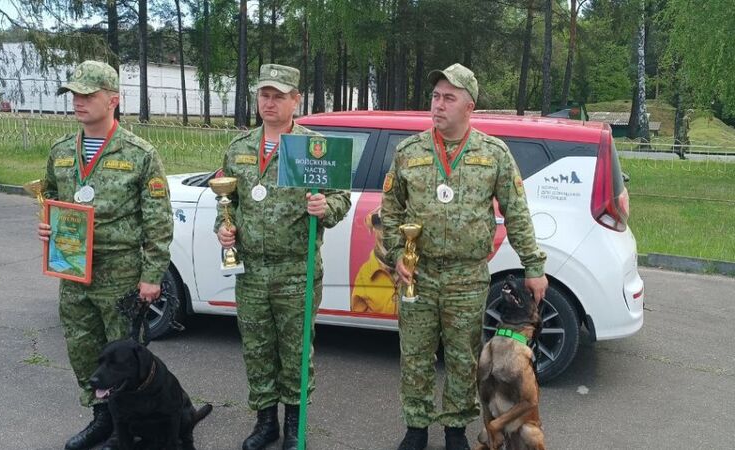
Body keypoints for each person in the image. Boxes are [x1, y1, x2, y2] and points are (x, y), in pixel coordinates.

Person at [380, 63, 548, 450]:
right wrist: (396, 255)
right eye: (435, 97)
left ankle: (455, 428)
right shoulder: (409, 151)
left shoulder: (493, 154)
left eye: (448, 98)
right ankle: (416, 428)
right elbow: (390, 211)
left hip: (466, 276)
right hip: (417, 276)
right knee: (416, 356)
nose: (438, 105)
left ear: (469, 106)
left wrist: (533, 267)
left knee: (463, 359)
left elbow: (516, 212)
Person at [36, 60, 174, 450]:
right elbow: (50, 200)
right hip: (74, 269)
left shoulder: (139, 153)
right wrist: (47, 228)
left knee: (124, 358)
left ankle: (125, 427)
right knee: (83, 348)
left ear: (113, 99)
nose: (78, 102)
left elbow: (159, 221)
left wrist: (152, 275)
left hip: (121, 272)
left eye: (88, 95)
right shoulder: (62, 151)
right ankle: (100, 418)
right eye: (74, 95)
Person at [215, 63, 351, 450]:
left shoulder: (314, 148)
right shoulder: (239, 149)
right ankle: (264, 423)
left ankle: (295, 423)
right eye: (264, 95)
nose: (269, 103)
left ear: (296, 100)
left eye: (278, 96)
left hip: (297, 270)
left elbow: (342, 197)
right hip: (252, 271)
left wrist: (326, 207)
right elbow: (227, 203)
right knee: (257, 349)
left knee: (295, 351)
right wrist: (223, 229)